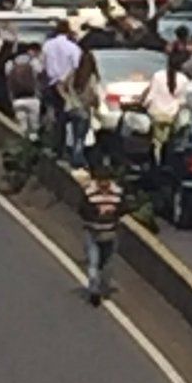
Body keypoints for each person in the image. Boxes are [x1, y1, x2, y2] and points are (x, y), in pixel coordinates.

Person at [80, 165, 124, 307]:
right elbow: (82, 209)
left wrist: (114, 213)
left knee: (106, 264)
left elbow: (123, 208)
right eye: (101, 181)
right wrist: (96, 214)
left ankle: (102, 285)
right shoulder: (89, 193)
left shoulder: (117, 193)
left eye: (106, 180)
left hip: (110, 233)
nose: (103, 184)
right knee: (93, 262)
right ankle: (94, 290)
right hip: (93, 233)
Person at [42, 20, 82, 150]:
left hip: (51, 82)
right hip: (66, 86)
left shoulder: (47, 45)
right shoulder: (73, 47)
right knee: (67, 115)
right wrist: (65, 81)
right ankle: (63, 145)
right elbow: (76, 67)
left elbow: (43, 64)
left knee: (51, 113)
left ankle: (51, 142)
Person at [61, 48, 102, 168]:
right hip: (84, 110)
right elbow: (92, 96)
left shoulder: (73, 73)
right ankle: (77, 160)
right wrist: (96, 105)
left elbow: (63, 85)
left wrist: (68, 98)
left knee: (73, 135)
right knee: (80, 138)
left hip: (71, 108)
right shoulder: (91, 77)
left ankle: (72, 156)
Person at [142, 52, 189, 156]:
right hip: (172, 115)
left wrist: (144, 105)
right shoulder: (184, 79)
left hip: (156, 113)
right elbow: (182, 101)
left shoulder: (158, 76)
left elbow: (151, 95)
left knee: (156, 138)